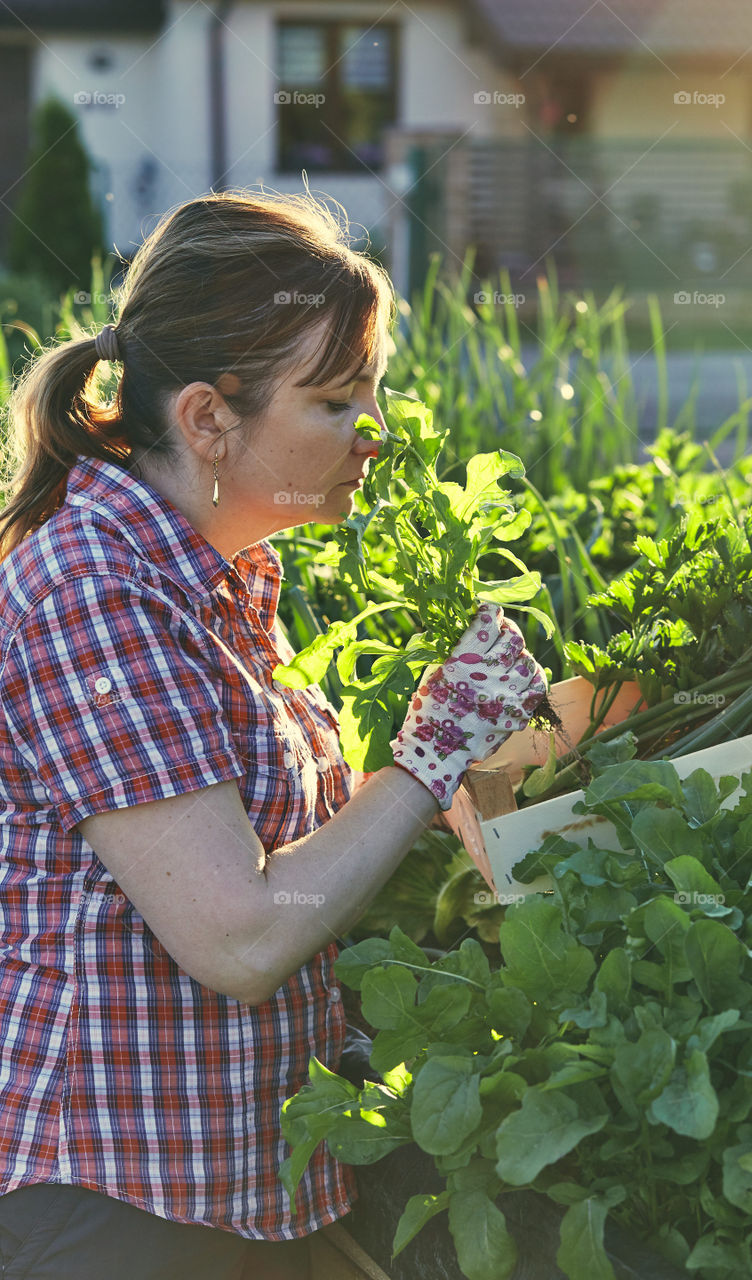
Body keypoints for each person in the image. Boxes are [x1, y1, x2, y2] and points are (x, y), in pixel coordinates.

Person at [0, 189, 547, 1280]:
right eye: (337, 399)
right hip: (110, 1200)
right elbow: (238, 934)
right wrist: (427, 753)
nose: (372, 432)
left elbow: (292, 876)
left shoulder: (222, 574)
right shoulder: (93, 585)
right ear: (208, 418)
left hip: (238, 1184)